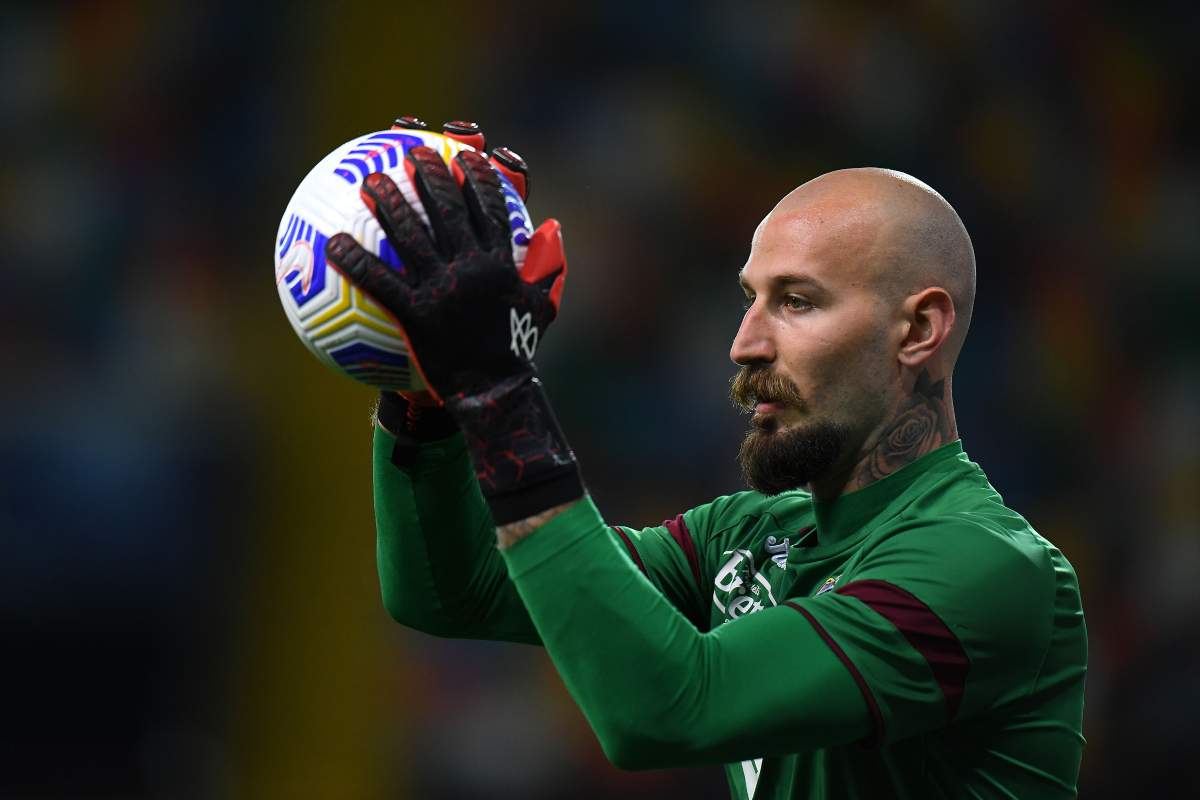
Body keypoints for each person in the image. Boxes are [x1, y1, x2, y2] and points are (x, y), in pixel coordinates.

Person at [325, 118, 1087, 799]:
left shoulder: (986, 567)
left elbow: (668, 712)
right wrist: (430, 397)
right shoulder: (745, 538)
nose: (745, 343)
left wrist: (500, 393)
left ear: (919, 329)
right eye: (749, 299)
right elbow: (453, 591)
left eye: (797, 302)